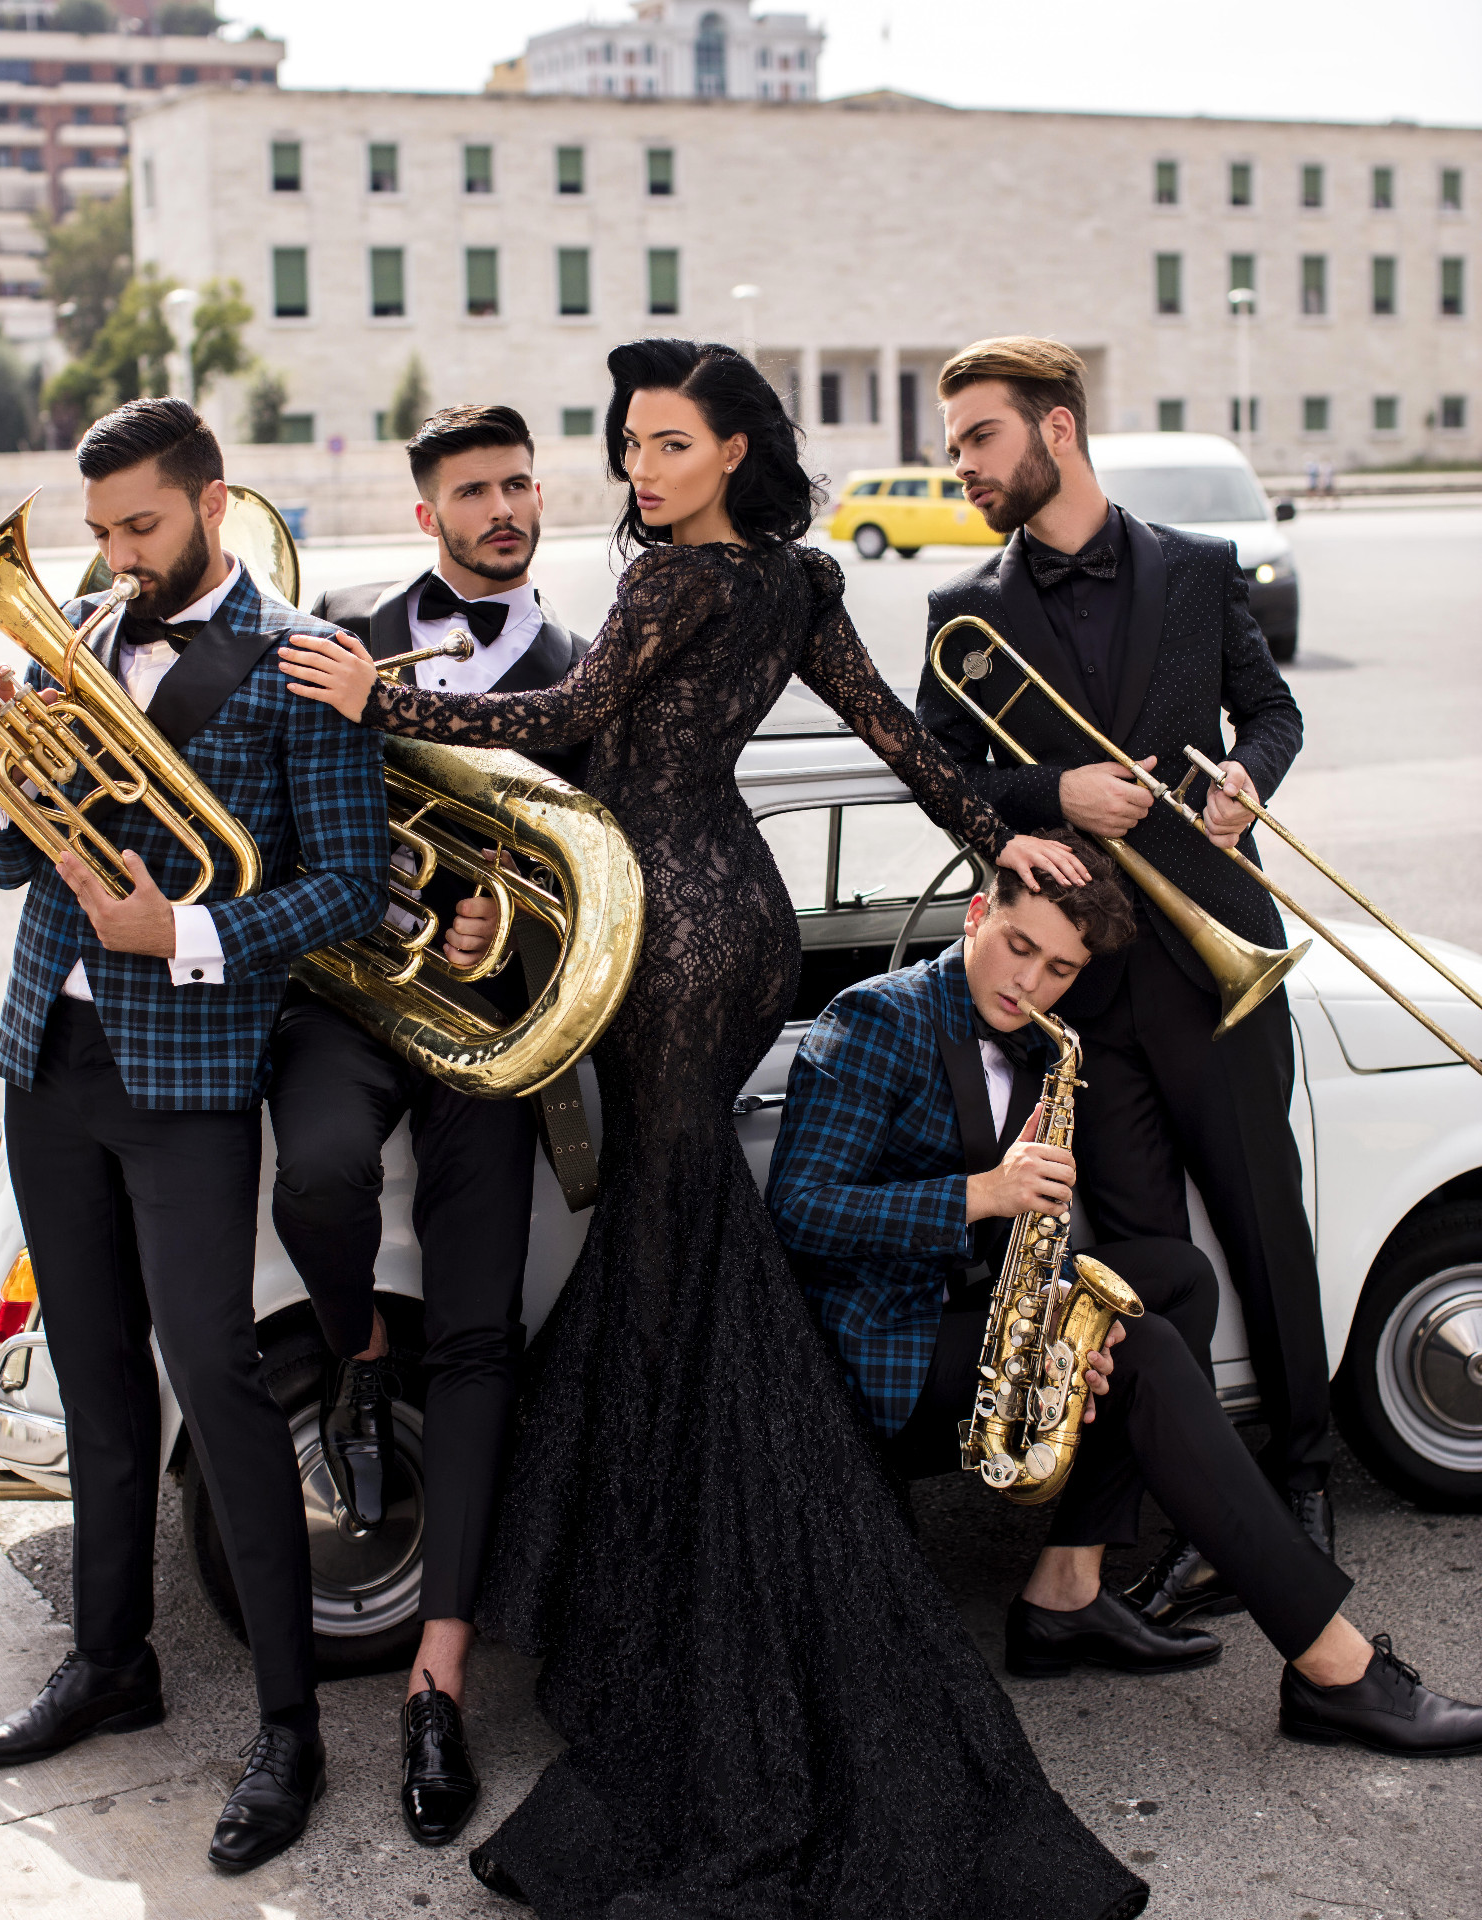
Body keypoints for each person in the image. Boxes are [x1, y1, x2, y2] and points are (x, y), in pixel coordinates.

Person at [280, 338, 1151, 1920]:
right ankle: (651, 1550)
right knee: (673, 1234)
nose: (642, 470)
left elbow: (566, 713)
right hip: (736, 915)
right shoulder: (799, 584)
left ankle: (689, 1576)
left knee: (674, 1240)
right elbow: (902, 741)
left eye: (669, 444)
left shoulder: (673, 580)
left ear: (736, 449)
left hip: (663, 930)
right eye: (629, 445)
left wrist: (376, 692)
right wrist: (1002, 836)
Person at [766, 834, 1482, 1757]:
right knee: (1140, 1353)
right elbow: (800, 1213)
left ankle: (1066, 1590)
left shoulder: (1039, 1043)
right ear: (978, 915)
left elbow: (1028, 1234)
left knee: (1174, 1280)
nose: (1031, 983)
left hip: (960, 1314)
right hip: (875, 1352)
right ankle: (1336, 1670)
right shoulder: (877, 1018)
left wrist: (1061, 1303)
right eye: (1019, 947)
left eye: (1061, 970)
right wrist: (981, 1194)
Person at [0, 399, 388, 1871]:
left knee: (218, 1379)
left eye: (140, 525)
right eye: (100, 531)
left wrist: (187, 933)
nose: (116, 556)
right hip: (48, 1056)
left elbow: (348, 886)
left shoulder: (300, 658)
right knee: (94, 1385)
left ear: (211, 501)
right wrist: (14, 773)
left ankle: (289, 1727)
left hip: (188, 1071)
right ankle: (113, 1662)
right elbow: (5, 855)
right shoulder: (77, 630)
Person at [914, 336, 1334, 1627]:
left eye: (979, 437)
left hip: (1216, 963)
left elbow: (1273, 713)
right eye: (955, 445)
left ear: (1057, 430)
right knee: (1149, 1263)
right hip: (1083, 1000)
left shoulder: (1198, 570)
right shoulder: (963, 613)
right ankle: (1188, 1510)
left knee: (1265, 1227)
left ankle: (1305, 1486)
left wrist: (1249, 776)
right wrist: (1054, 793)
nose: (962, 465)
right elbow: (938, 779)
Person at [267, 403, 593, 1849]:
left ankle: (438, 1679)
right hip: (346, 1004)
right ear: (427, 515)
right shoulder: (340, 635)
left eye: (519, 484)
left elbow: (592, 875)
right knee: (322, 1180)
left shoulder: (580, 667)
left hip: (482, 1030)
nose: (504, 508)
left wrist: (496, 928)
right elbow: (270, 818)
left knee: (479, 1336)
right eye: (474, 491)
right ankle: (355, 1347)